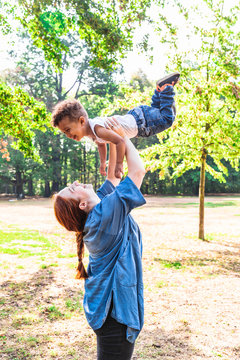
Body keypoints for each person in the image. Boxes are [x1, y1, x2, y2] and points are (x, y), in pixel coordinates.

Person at [53, 119, 146, 360]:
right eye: (72, 189)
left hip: (108, 311)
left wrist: (110, 135)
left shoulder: (100, 208)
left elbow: (115, 178)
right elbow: (137, 172)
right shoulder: (103, 217)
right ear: (82, 204)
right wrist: (123, 135)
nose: (74, 183)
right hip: (114, 317)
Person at [51, 72, 180, 178]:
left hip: (141, 123)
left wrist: (119, 164)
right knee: (158, 110)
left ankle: (166, 88)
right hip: (138, 118)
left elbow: (119, 141)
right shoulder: (92, 132)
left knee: (167, 119)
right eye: (64, 132)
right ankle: (159, 91)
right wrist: (102, 163)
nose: (68, 135)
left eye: (68, 130)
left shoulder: (97, 129)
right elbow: (101, 144)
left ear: (82, 121)